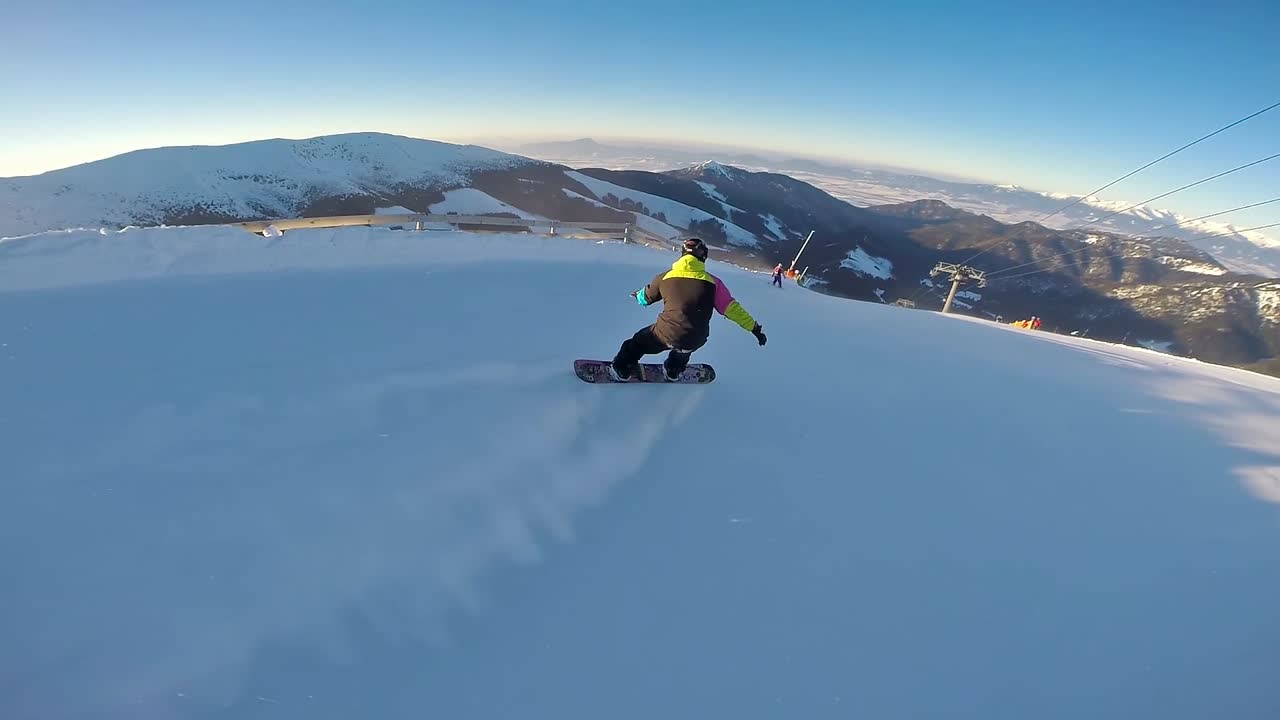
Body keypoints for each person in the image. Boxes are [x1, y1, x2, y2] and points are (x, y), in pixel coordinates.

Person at [611, 238, 767, 381]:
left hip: (665, 333)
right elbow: (733, 310)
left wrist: (638, 295)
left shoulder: (665, 277)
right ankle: (673, 370)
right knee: (685, 348)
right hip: (697, 337)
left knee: (638, 343)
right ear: (703, 257)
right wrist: (754, 328)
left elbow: (646, 298)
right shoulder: (714, 283)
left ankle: (621, 367)